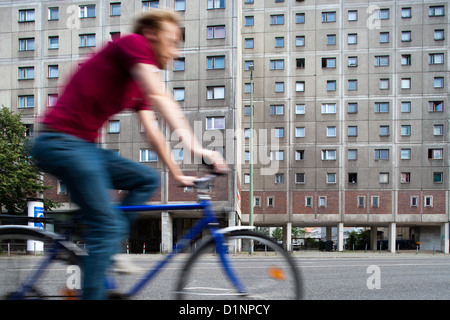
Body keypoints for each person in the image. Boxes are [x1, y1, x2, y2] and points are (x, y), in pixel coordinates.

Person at [32, 9, 226, 300]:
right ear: (151, 34)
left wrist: (175, 173)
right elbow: (162, 97)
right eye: (171, 42)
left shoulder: (137, 81)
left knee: (146, 179)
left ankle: (106, 249)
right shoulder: (132, 44)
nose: (174, 52)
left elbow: (152, 129)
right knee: (106, 225)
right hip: (59, 143)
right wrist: (196, 147)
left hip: (82, 148)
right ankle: (103, 255)